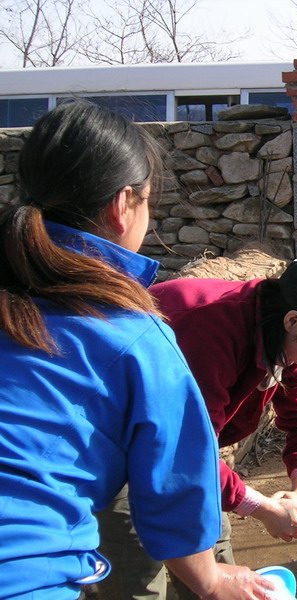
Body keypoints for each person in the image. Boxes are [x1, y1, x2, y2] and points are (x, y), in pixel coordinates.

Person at [0, 101, 275, 599]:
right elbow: (176, 485)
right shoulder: (131, 334)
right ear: (123, 204)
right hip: (26, 573)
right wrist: (213, 579)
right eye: (149, 201)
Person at [96, 253, 297, 599]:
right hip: (116, 448)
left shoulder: (290, 339)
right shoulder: (207, 331)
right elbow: (187, 453)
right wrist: (262, 508)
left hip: (181, 450)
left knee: (216, 548)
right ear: (293, 321)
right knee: (140, 572)